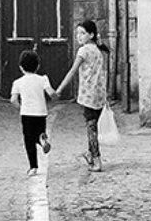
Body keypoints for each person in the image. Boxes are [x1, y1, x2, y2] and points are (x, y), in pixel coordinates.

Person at [56, 19, 109, 172]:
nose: (78, 36)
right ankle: (90, 155)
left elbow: (72, 71)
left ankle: (97, 160)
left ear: (91, 35)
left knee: (91, 128)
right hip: (99, 93)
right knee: (93, 125)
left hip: (88, 94)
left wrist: (59, 89)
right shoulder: (98, 50)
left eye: (82, 33)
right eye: (77, 33)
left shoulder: (83, 51)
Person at [9, 50, 55, 176]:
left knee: (29, 139)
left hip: (26, 113)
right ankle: (42, 141)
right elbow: (51, 93)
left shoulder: (18, 82)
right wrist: (57, 95)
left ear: (21, 67)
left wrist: (21, 108)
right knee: (39, 133)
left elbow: (13, 100)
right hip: (41, 112)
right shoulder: (43, 79)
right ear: (38, 66)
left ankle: (33, 167)